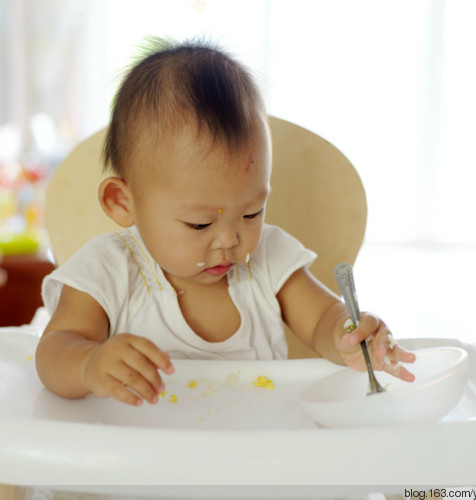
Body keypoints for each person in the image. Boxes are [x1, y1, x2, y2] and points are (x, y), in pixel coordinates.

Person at [35, 37, 415, 407]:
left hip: (254, 453)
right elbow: (54, 350)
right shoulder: (109, 269)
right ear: (123, 202)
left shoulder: (269, 258)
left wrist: (348, 335)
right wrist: (88, 364)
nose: (231, 240)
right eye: (200, 224)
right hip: (142, 459)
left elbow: (322, 320)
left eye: (251, 213)